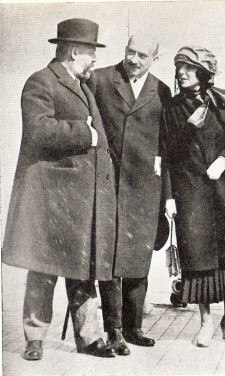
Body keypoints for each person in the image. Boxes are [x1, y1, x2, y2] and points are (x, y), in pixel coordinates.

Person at [1, 18, 117, 360]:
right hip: (51, 197)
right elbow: (37, 131)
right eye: (91, 52)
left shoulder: (84, 86)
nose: (94, 60)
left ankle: (90, 337)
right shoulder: (40, 82)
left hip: (80, 199)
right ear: (75, 51)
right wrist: (86, 133)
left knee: (84, 269)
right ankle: (34, 338)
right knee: (44, 268)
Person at [89, 33, 171, 355]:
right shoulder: (100, 79)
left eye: (142, 55)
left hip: (144, 189)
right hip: (108, 183)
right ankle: (114, 331)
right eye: (130, 52)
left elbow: (165, 146)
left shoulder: (162, 91)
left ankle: (134, 327)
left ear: (154, 59)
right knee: (109, 260)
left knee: (138, 258)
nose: (133, 60)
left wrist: (166, 195)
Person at [164, 46, 225, 348]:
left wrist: (224, 160)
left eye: (188, 67)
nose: (181, 73)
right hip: (192, 194)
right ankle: (205, 322)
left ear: (204, 72)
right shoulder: (172, 109)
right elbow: (168, 154)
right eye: (179, 67)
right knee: (198, 259)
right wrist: (188, 129)